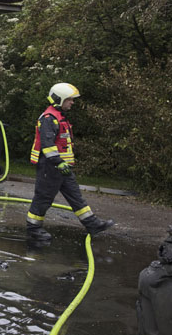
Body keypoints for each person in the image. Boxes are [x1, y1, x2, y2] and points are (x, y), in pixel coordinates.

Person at [26, 83, 114, 241]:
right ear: (59, 99)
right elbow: (48, 145)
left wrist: (62, 164)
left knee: (75, 195)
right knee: (43, 198)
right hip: (50, 167)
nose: (72, 103)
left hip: (62, 168)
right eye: (69, 100)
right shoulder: (49, 118)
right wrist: (58, 162)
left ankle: (92, 224)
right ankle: (34, 228)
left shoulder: (59, 117)